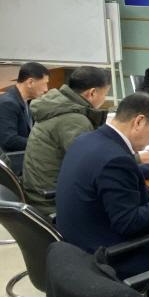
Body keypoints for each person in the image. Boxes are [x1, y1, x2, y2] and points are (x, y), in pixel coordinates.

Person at [55, 92, 149, 277]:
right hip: (108, 255)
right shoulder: (115, 159)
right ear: (139, 122)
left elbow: (117, 174)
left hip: (77, 242)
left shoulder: (88, 140)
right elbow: (129, 222)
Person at [22, 66, 111, 215]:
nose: (105, 98)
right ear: (92, 93)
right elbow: (92, 166)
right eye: (105, 94)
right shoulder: (73, 120)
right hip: (52, 201)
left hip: (39, 190)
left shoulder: (57, 104)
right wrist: (137, 159)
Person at [0, 62, 49, 172]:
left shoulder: (26, 102)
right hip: (5, 166)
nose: (46, 89)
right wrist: (40, 144)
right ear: (30, 82)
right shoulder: (6, 104)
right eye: (45, 84)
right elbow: (9, 140)